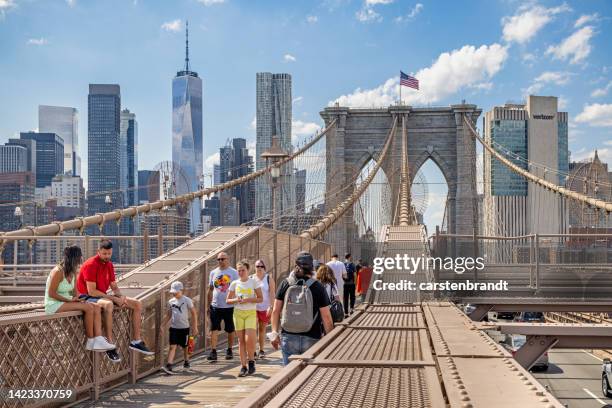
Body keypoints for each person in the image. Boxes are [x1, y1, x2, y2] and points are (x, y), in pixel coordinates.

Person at [76, 239, 153, 363]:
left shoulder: (109, 265)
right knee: (109, 304)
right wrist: (113, 298)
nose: (107, 256)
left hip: (101, 295)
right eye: (104, 254)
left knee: (137, 303)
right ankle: (110, 344)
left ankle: (136, 341)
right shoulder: (91, 264)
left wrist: (121, 297)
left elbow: (114, 286)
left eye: (109, 254)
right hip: (86, 297)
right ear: (98, 252)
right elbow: (91, 291)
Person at [45, 245, 115, 352]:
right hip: (53, 304)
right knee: (89, 308)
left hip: (65, 301)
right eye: (79, 257)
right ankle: (91, 341)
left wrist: (81, 299)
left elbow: (75, 293)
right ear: (74, 258)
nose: (80, 260)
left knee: (95, 307)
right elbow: (51, 294)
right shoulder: (58, 271)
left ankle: (98, 339)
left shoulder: (72, 272)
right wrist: (69, 300)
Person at [270, 251, 334, 366]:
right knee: (310, 377)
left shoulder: (285, 283)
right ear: (312, 268)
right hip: (312, 337)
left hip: (288, 336)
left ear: (296, 265)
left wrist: (274, 333)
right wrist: (330, 340)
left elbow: (275, 310)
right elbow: (326, 317)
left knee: (288, 376)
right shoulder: (318, 286)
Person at [226, 261, 263, 376]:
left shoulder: (253, 282)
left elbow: (260, 298)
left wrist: (248, 299)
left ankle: (251, 361)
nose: (241, 272)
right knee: (241, 341)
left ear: (248, 270)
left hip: (250, 312)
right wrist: (237, 300)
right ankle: (243, 366)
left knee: (249, 339)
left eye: (243, 270)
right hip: (238, 313)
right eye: (239, 270)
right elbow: (228, 300)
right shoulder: (234, 283)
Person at [206, 251, 239, 362]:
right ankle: (213, 351)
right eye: (218, 259)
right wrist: (208, 305)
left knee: (230, 329)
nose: (220, 261)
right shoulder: (213, 272)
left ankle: (229, 349)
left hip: (229, 306)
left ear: (227, 259)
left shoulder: (234, 273)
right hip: (215, 306)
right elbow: (210, 289)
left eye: (222, 259)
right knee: (213, 329)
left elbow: (238, 289)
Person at [161, 281, 198, 375]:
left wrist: (195, 327)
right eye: (173, 292)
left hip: (185, 328)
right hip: (174, 328)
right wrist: (163, 325)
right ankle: (169, 365)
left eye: (176, 292)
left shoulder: (186, 300)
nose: (174, 293)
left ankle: (186, 361)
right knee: (172, 346)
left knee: (185, 346)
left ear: (181, 290)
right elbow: (169, 314)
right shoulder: (171, 301)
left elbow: (194, 313)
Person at [252, 259, 275, 359]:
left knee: (262, 329)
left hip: (264, 308)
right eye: (257, 266)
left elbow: (272, 293)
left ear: (264, 267)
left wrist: (271, 306)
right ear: (255, 267)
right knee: (252, 329)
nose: (259, 268)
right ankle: (253, 351)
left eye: (261, 266)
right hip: (253, 307)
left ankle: (261, 350)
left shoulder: (268, 278)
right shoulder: (251, 278)